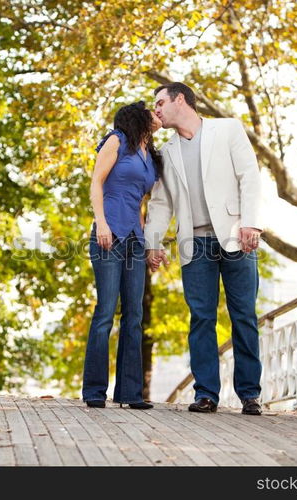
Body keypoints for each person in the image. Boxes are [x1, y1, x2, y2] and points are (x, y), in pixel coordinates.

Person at [144, 82, 264, 415]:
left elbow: (249, 177)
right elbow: (160, 203)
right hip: (194, 243)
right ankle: (206, 393)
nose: (156, 110)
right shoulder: (166, 151)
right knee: (201, 318)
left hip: (236, 236)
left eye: (159, 103)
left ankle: (250, 394)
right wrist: (152, 242)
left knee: (244, 316)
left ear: (179, 100)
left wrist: (250, 223)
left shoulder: (227, 129)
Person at [82, 101, 163, 409]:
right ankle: (94, 391)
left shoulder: (149, 155)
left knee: (135, 315)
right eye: (151, 110)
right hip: (108, 233)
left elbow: (140, 202)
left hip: (134, 238)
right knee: (105, 311)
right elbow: (96, 183)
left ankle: (130, 393)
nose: (157, 114)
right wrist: (101, 222)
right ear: (137, 116)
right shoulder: (117, 140)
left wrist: (145, 244)